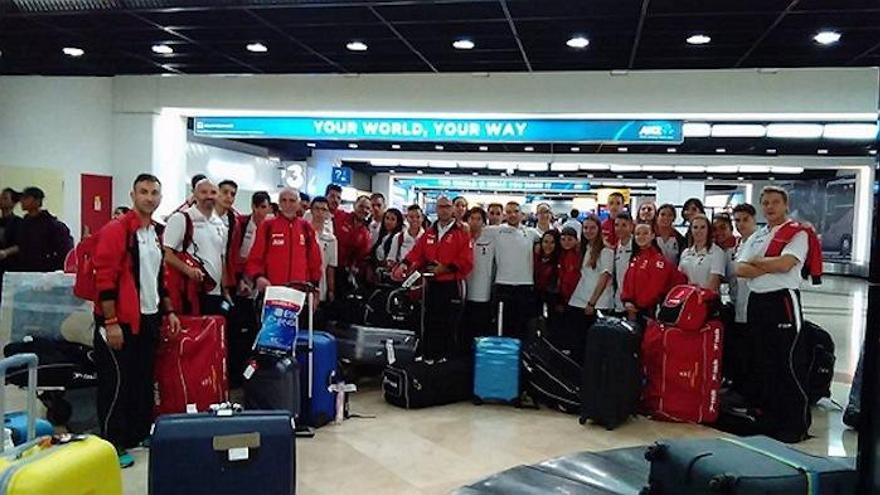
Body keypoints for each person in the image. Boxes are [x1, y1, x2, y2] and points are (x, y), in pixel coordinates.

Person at [92, 174, 181, 469]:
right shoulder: (116, 230)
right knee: (115, 383)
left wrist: (168, 311)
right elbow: (104, 278)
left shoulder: (154, 232)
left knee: (141, 380)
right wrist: (112, 321)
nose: (149, 197)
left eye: (155, 192)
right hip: (120, 320)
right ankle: (111, 443)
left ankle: (137, 432)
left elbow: (159, 277)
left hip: (149, 317)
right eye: (143, 192)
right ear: (133, 195)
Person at [736, 186, 812, 443]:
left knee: (787, 361)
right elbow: (740, 269)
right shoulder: (758, 236)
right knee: (763, 361)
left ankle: (794, 423)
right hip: (758, 302)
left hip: (783, 301)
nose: (770, 207)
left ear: (785, 205)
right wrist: (766, 265)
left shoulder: (797, 233)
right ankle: (770, 418)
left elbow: (786, 264)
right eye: (765, 203)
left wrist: (757, 263)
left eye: (775, 202)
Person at [393, 195, 473, 358]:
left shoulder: (462, 233)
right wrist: (404, 264)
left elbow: (467, 260)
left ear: (452, 209)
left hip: (452, 286)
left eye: (447, 206)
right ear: (436, 209)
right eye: (440, 207)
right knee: (430, 323)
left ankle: (448, 363)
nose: (444, 210)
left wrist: (444, 269)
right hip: (431, 286)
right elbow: (417, 252)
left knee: (450, 325)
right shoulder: (429, 233)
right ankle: (430, 360)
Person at [163, 178, 228, 315]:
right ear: (194, 194)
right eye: (204, 192)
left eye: (213, 192)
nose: (209, 196)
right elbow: (166, 253)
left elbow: (221, 258)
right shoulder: (181, 219)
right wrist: (188, 270)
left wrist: (225, 290)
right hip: (190, 291)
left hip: (215, 291)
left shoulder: (220, 224)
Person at [565, 215, 614, 361]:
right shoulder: (583, 248)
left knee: (593, 348)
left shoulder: (606, 251)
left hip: (596, 304)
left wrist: (592, 303)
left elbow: (604, 278)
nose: (588, 231)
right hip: (578, 301)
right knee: (577, 345)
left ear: (599, 229)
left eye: (592, 228)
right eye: (585, 227)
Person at [491, 201, 541, 339]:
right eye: (509, 212)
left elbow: (548, 240)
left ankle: (522, 357)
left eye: (515, 211)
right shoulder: (496, 230)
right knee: (503, 326)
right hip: (503, 286)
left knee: (524, 327)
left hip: (525, 286)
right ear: (505, 215)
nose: (512, 215)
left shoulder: (531, 233)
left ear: (522, 214)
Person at [726, 203, 758, 394]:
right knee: (742, 349)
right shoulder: (740, 244)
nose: (741, 224)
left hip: (753, 305)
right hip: (739, 302)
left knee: (752, 350)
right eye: (737, 220)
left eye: (745, 219)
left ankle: (750, 390)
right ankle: (741, 387)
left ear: (754, 219)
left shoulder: (759, 241)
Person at [620, 222, 678, 324]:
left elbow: (655, 288)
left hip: (648, 312)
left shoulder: (658, 260)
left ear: (652, 236)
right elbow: (627, 281)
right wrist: (627, 301)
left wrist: (636, 307)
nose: (641, 236)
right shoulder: (636, 258)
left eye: (645, 233)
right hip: (632, 310)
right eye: (638, 234)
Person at [13, 187, 73, 273]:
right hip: (25, 269)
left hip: (45, 270)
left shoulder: (51, 224)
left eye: (26, 198)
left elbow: (64, 249)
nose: (22, 201)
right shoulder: (23, 223)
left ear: (37, 201)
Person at [464, 207, 495, 343]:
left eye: (478, 219)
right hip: (464, 289)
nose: (475, 222)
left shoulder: (491, 240)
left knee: (480, 327)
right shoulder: (462, 238)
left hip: (483, 291)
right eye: (472, 219)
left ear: (483, 221)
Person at [678, 214, 726, 292]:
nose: (698, 231)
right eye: (695, 227)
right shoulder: (685, 253)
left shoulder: (717, 253)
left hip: (707, 300)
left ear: (708, 230)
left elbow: (713, 284)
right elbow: (680, 279)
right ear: (691, 230)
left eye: (703, 227)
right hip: (687, 299)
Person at [335, 195, 372, 295]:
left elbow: (361, 257)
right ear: (355, 205)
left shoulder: (366, 233)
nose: (364, 210)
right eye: (361, 206)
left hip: (345, 273)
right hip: (329, 266)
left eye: (367, 208)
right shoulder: (340, 216)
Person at [308, 197, 338, 307]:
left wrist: (331, 290)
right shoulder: (301, 232)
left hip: (321, 285)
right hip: (301, 283)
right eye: (317, 208)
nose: (320, 213)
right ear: (311, 210)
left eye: (323, 209)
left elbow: (331, 267)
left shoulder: (331, 239)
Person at [611, 213, 635, 315]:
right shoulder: (616, 247)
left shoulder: (637, 246)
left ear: (631, 226)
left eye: (624, 225)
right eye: (617, 225)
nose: (619, 228)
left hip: (634, 303)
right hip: (619, 300)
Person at [534, 230, 560, 315]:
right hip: (535, 298)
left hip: (553, 301)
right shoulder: (535, 256)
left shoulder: (560, 259)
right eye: (545, 242)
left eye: (552, 242)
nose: (548, 245)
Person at [370, 208, 404, 274]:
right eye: (387, 218)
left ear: (398, 222)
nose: (388, 222)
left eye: (393, 219)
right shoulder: (381, 235)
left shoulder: (398, 237)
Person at [0, 188, 22, 280]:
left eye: (5, 198)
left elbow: (22, 244)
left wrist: (6, 252)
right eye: (1, 198)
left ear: (13, 203)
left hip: (11, 266)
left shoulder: (19, 222)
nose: (1, 200)